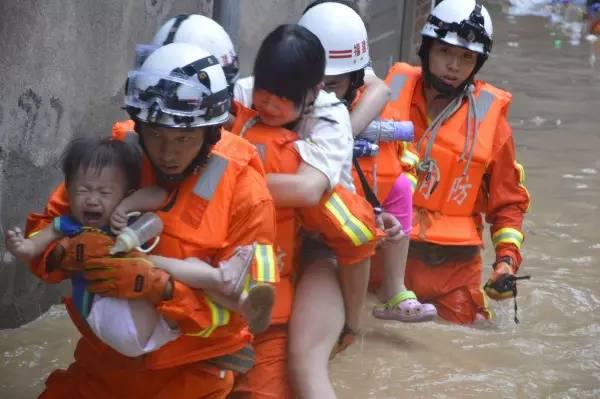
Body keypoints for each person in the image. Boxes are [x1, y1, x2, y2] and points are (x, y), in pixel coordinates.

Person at [24, 42, 277, 398]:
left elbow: (250, 311)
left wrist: (165, 289)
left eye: (184, 138)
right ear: (140, 125)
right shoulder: (115, 154)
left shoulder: (248, 192)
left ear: (210, 134)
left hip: (190, 377)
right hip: (101, 367)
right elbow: (43, 228)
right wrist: (65, 252)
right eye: (156, 135)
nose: (168, 152)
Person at [230, 24, 393, 399]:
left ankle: (350, 325)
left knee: (304, 365)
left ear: (313, 92)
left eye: (282, 98)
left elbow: (307, 190)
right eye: (264, 92)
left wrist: (352, 326)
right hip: (262, 242)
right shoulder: (241, 94)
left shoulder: (331, 119)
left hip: (323, 247)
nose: (268, 104)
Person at [6, 137, 273, 358]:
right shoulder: (73, 218)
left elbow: (158, 195)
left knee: (180, 272)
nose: (92, 200)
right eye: (83, 191)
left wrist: (126, 207)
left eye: (104, 194)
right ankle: (225, 280)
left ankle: (242, 298)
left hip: (169, 330)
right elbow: (36, 246)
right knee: (169, 270)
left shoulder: (126, 210)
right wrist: (35, 249)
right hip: (107, 314)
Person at [382, 0, 530, 324]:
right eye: (446, 52)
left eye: (466, 57)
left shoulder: (493, 125)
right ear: (427, 48)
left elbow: (508, 204)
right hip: (386, 258)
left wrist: (505, 262)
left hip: (452, 271)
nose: (454, 65)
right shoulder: (386, 96)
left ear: (478, 63)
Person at [299, 0, 437, 323]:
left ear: (354, 78)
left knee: (400, 185)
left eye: (332, 85)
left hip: (348, 187)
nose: (323, 94)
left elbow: (380, 89)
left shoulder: (351, 54)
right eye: (316, 84)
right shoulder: (292, 60)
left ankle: (391, 288)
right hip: (304, 197)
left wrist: (341, 135)